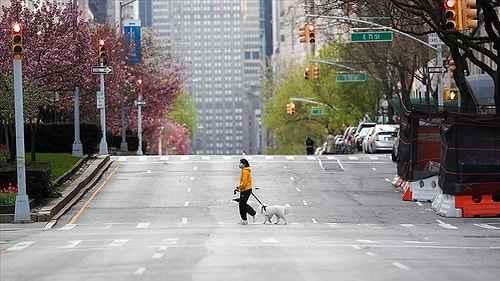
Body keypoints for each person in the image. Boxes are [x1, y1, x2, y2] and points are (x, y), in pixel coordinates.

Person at [234, 158, 256, 225]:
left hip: (246, 189)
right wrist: (240, 188)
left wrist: (238, 187)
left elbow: (244, 182)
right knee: (241, 205)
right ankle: (244, 220)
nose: (240, 164)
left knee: (243, 204)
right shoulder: (244, 171)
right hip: (244, 189)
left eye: (241, 163)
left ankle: (254, 214)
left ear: (244, 164)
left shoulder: (245, 171)